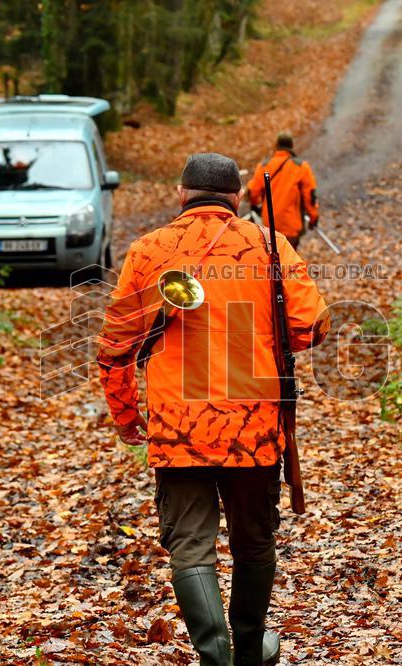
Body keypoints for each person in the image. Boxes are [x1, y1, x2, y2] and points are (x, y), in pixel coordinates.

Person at [97, 153, 329, 665]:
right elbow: (309, 328)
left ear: (181, 195)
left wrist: (125, 413)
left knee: (191, 547)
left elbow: (115, 346)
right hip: (254, 423)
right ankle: (248, 649)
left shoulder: (147, 251)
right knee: (253, 542)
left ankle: (215, 656)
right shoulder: (270, 246)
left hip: (178, 425)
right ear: (239, 197)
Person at [247, 132, 320, 249]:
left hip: (269, 227)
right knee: (289, 262)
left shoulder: (264, 166)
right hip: (291, 227)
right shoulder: (301, 167)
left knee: (271, 261)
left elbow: (252, 191)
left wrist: (255, 205)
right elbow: (310, 196)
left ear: (276, 145)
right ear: (291, 146)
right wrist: (313, 217)